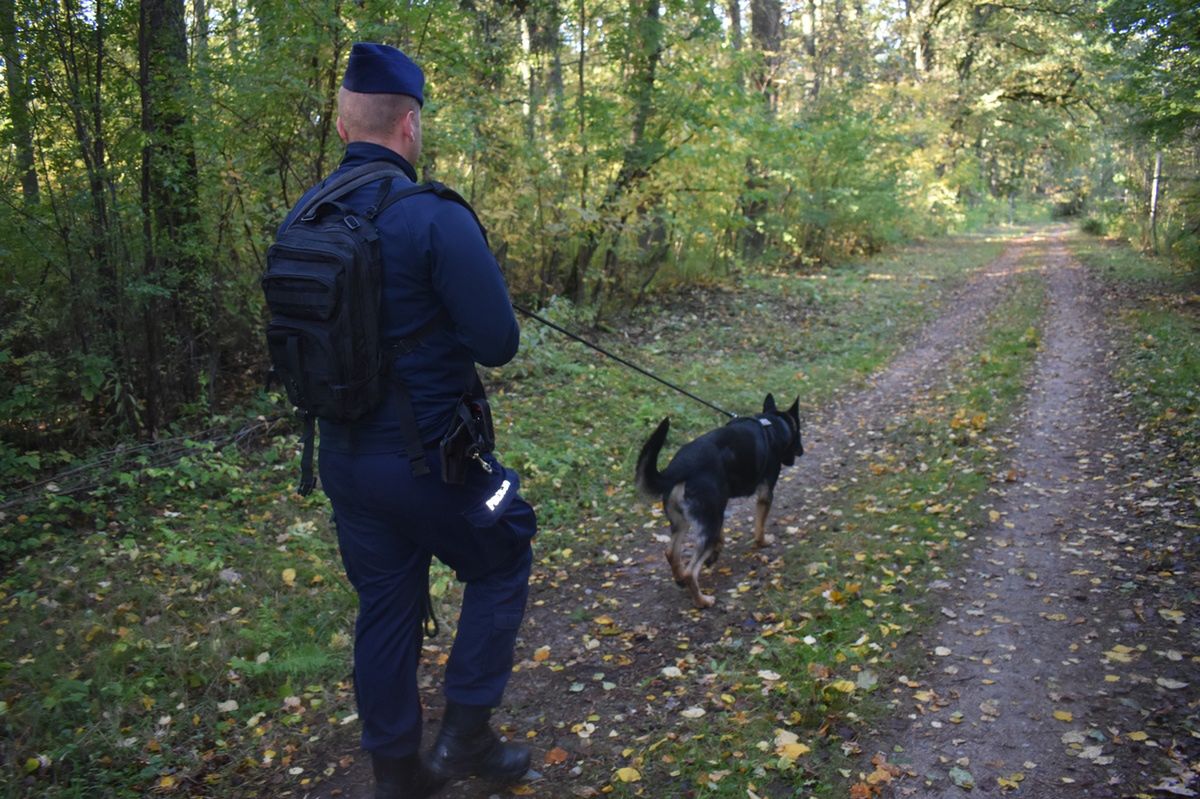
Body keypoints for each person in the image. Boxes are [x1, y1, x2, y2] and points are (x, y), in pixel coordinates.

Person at [279, 43, 536, 799]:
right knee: (507, 544)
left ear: (339, 125)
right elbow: (499, 343)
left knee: (385, 601)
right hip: (433, 465)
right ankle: (468, 732)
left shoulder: (304, 215)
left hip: (342, 461)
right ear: (411, 127)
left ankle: (398, 774)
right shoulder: (431, 215)